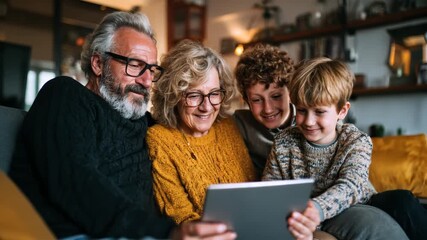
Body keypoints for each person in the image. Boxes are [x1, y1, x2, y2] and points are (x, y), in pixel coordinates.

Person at [8, 11, 236, 240]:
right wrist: (168, 233)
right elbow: (77, 184)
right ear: (98, 63)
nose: (146, 81)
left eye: (151, 69)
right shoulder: (64, 96)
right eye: (135, 65)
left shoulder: (147, 125)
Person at [147, 39, 318, 240]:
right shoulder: (160, 139)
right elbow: (181, 217)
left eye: (214, 94)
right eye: (194, 95)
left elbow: (256, 193)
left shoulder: (228, 126)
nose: (207, 107)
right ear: (173, 96)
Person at [261, 56, 411, 240]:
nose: (308, 121)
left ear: (342, 111)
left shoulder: (356, 140)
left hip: (355, 204)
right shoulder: (284, 142)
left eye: (319, 112)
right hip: (311, 214)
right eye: (301, 110)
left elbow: (352, 185)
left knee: (404, 201)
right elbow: (270, 190)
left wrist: (317, 208)